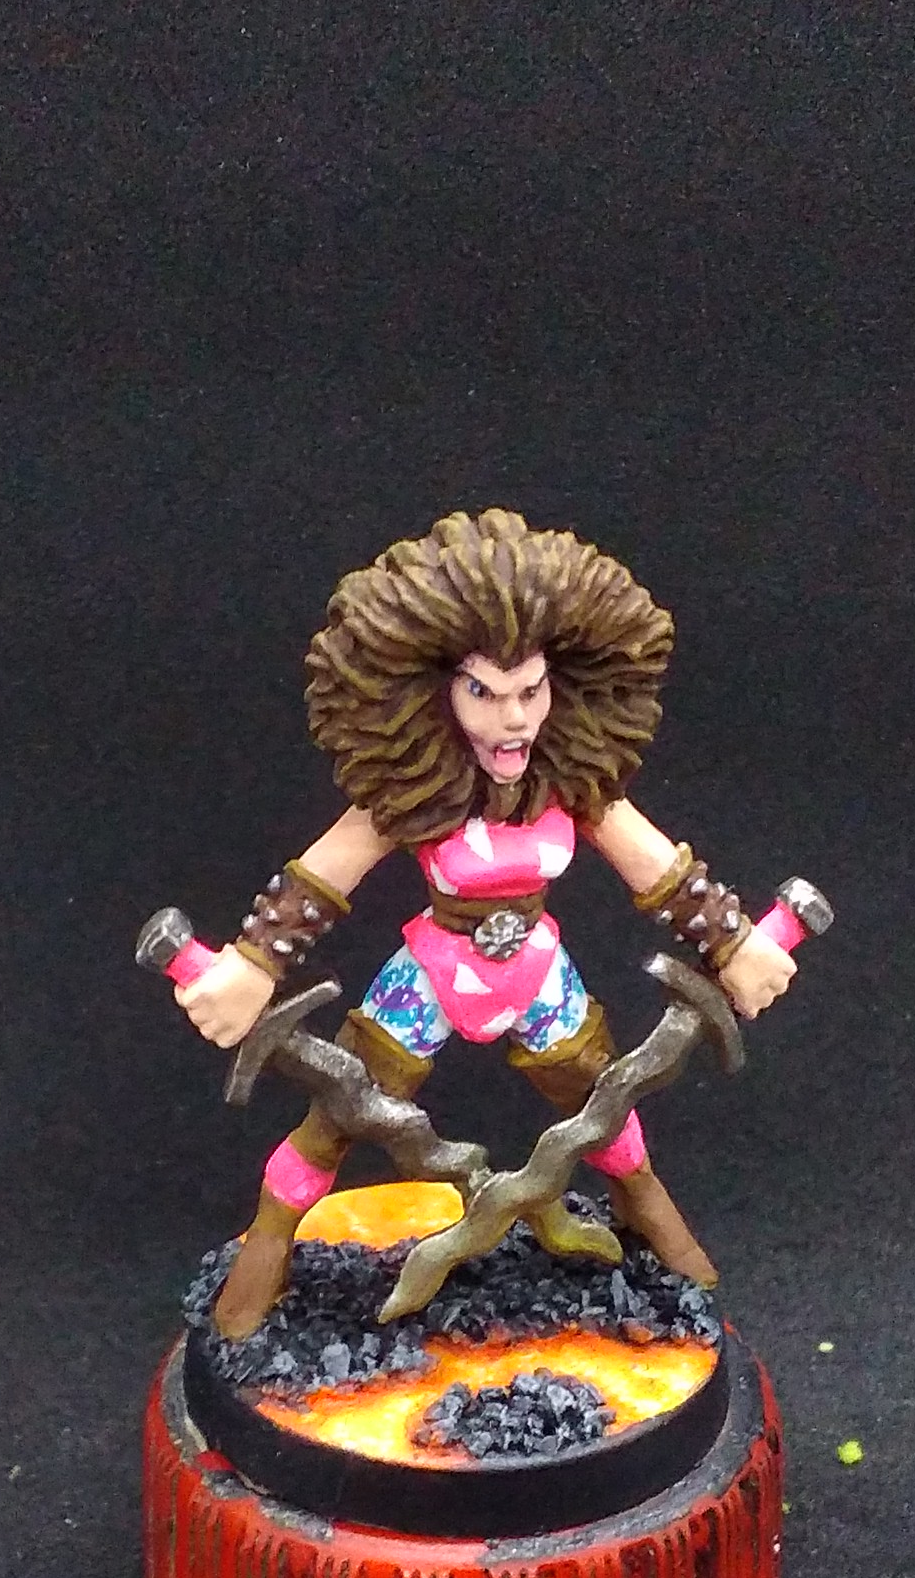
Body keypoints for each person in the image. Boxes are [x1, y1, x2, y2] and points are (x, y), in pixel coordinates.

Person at [176, 508, 798, 1339]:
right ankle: (265, 1253)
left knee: (606, 1104)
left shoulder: (575, 787)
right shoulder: (411, 795)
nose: (513, 719)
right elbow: (319, 880)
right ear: (431, 691)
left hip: (539, 976)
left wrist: (736, 943)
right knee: (340, 1113)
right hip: (431, 977)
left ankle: (652, 1216)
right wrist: (251, 967)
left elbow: (662, 872)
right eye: (484, 692)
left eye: (530, 692)